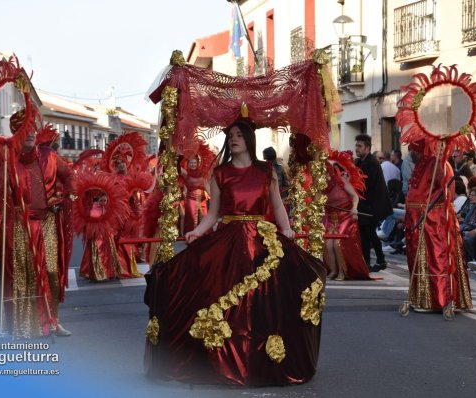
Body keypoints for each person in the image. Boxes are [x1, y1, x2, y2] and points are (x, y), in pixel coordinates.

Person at [144, 120, 326, 386]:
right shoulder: (220, 173)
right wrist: (198, 231)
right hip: (229, 240)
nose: (233, 139)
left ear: (250, 139)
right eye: (230, 135)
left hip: (263, 242)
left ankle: (258, 361)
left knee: (263, 302)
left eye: (239, 135)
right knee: (223, 298)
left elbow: (277, 205)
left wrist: (286, 229)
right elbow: (214, 212)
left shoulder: (266, 171)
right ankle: (226, 362)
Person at [0, 111, 76, 339]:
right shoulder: (7, 160)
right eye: (25, 131)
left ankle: (54, 322)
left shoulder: (51, 157)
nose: (31, 134)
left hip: (48, 223)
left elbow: (69, 177)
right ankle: (20, 326)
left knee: (52, 273)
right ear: (16, 134)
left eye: (32, 130)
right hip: (20, 226)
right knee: (21, 277)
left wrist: (66, 197)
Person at [404, 143, 472, 312]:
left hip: (433, 221)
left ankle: (437, 300)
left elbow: (447, 192)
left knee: (434, 259)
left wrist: (430, 210)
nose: (410, 152)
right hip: (419, 219)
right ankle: (423, 298)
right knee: (419, 259)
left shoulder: (437, 163)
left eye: (413, 149)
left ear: (420, 150)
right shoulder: (424, 163)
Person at [320, 151, 370, 280]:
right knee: (327, 244)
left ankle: (343, 272)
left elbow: (354, 196)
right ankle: (333, 270)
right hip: (332, 218)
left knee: (338, 244)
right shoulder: (321, 187)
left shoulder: (341, 180)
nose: (324, 174)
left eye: (327, 171)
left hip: (346, 216)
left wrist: (354, 208)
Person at [354, 135, 392, 272]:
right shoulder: (360, 162)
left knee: (368, 233)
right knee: (367, 234)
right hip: (366, 206)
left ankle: (374, 261)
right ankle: (374, 261)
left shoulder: (371, 163)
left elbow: (366, 185)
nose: (356, 148)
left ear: (368, 148)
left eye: (359, 146)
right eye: (356, 145)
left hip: (373, 206)